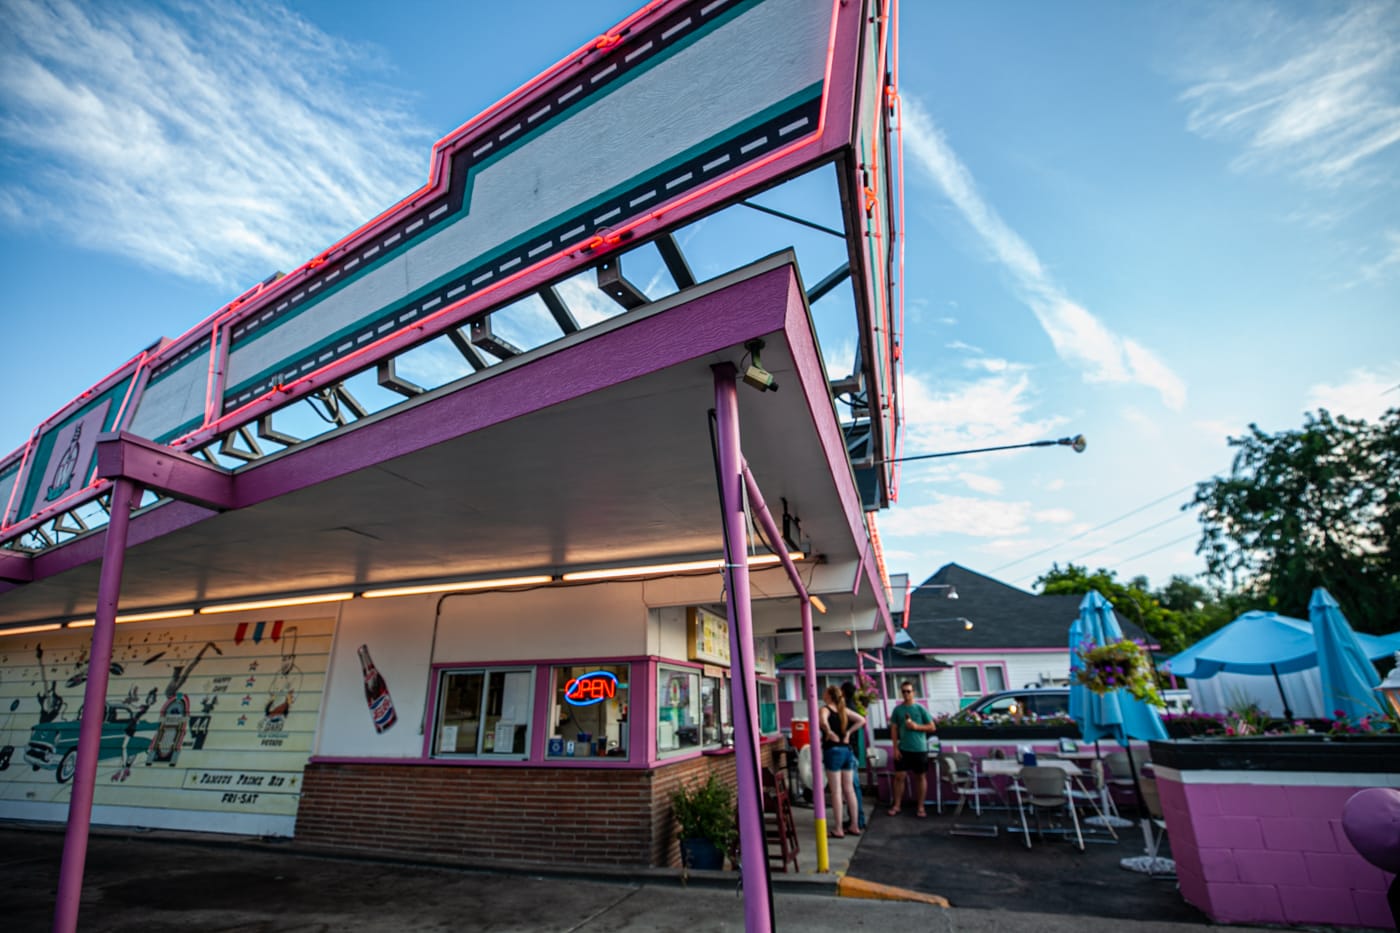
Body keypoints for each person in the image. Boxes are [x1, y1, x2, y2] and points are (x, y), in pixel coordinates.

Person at [819, 684, 866, 838]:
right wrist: (848, 733)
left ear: (829, 695)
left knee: (836, 792)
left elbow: (823, 721)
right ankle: (854, 825)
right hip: (847, 751)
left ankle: (838, 828)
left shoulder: (825, 709)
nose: (823, 694)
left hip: (833, 751)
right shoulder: (843, 710)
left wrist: (829, 732)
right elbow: (861, 720)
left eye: (825, 692)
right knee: (849, 790)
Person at [886, 680, 936, 818]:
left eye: (908, 691)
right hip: (903, 749)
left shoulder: (920, 709)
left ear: (914, 692)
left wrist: (916, 727)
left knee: (920, 777)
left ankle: (920, 806)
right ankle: (897, 805)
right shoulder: (898, 710)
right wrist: (895, 748)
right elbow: (894, 729)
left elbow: (932, 727)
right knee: (899, 776)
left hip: (919, 748)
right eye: (903, 691)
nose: (906, 694)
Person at [840, 681, 868, 832]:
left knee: (852, 787)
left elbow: (860, 722)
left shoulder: (847, 709)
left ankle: (857, 820)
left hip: (849, 751)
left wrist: (847, 733)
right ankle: (855, 819)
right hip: (853, 750)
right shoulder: (854, 707)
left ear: (843, 692)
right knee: (851, 787)